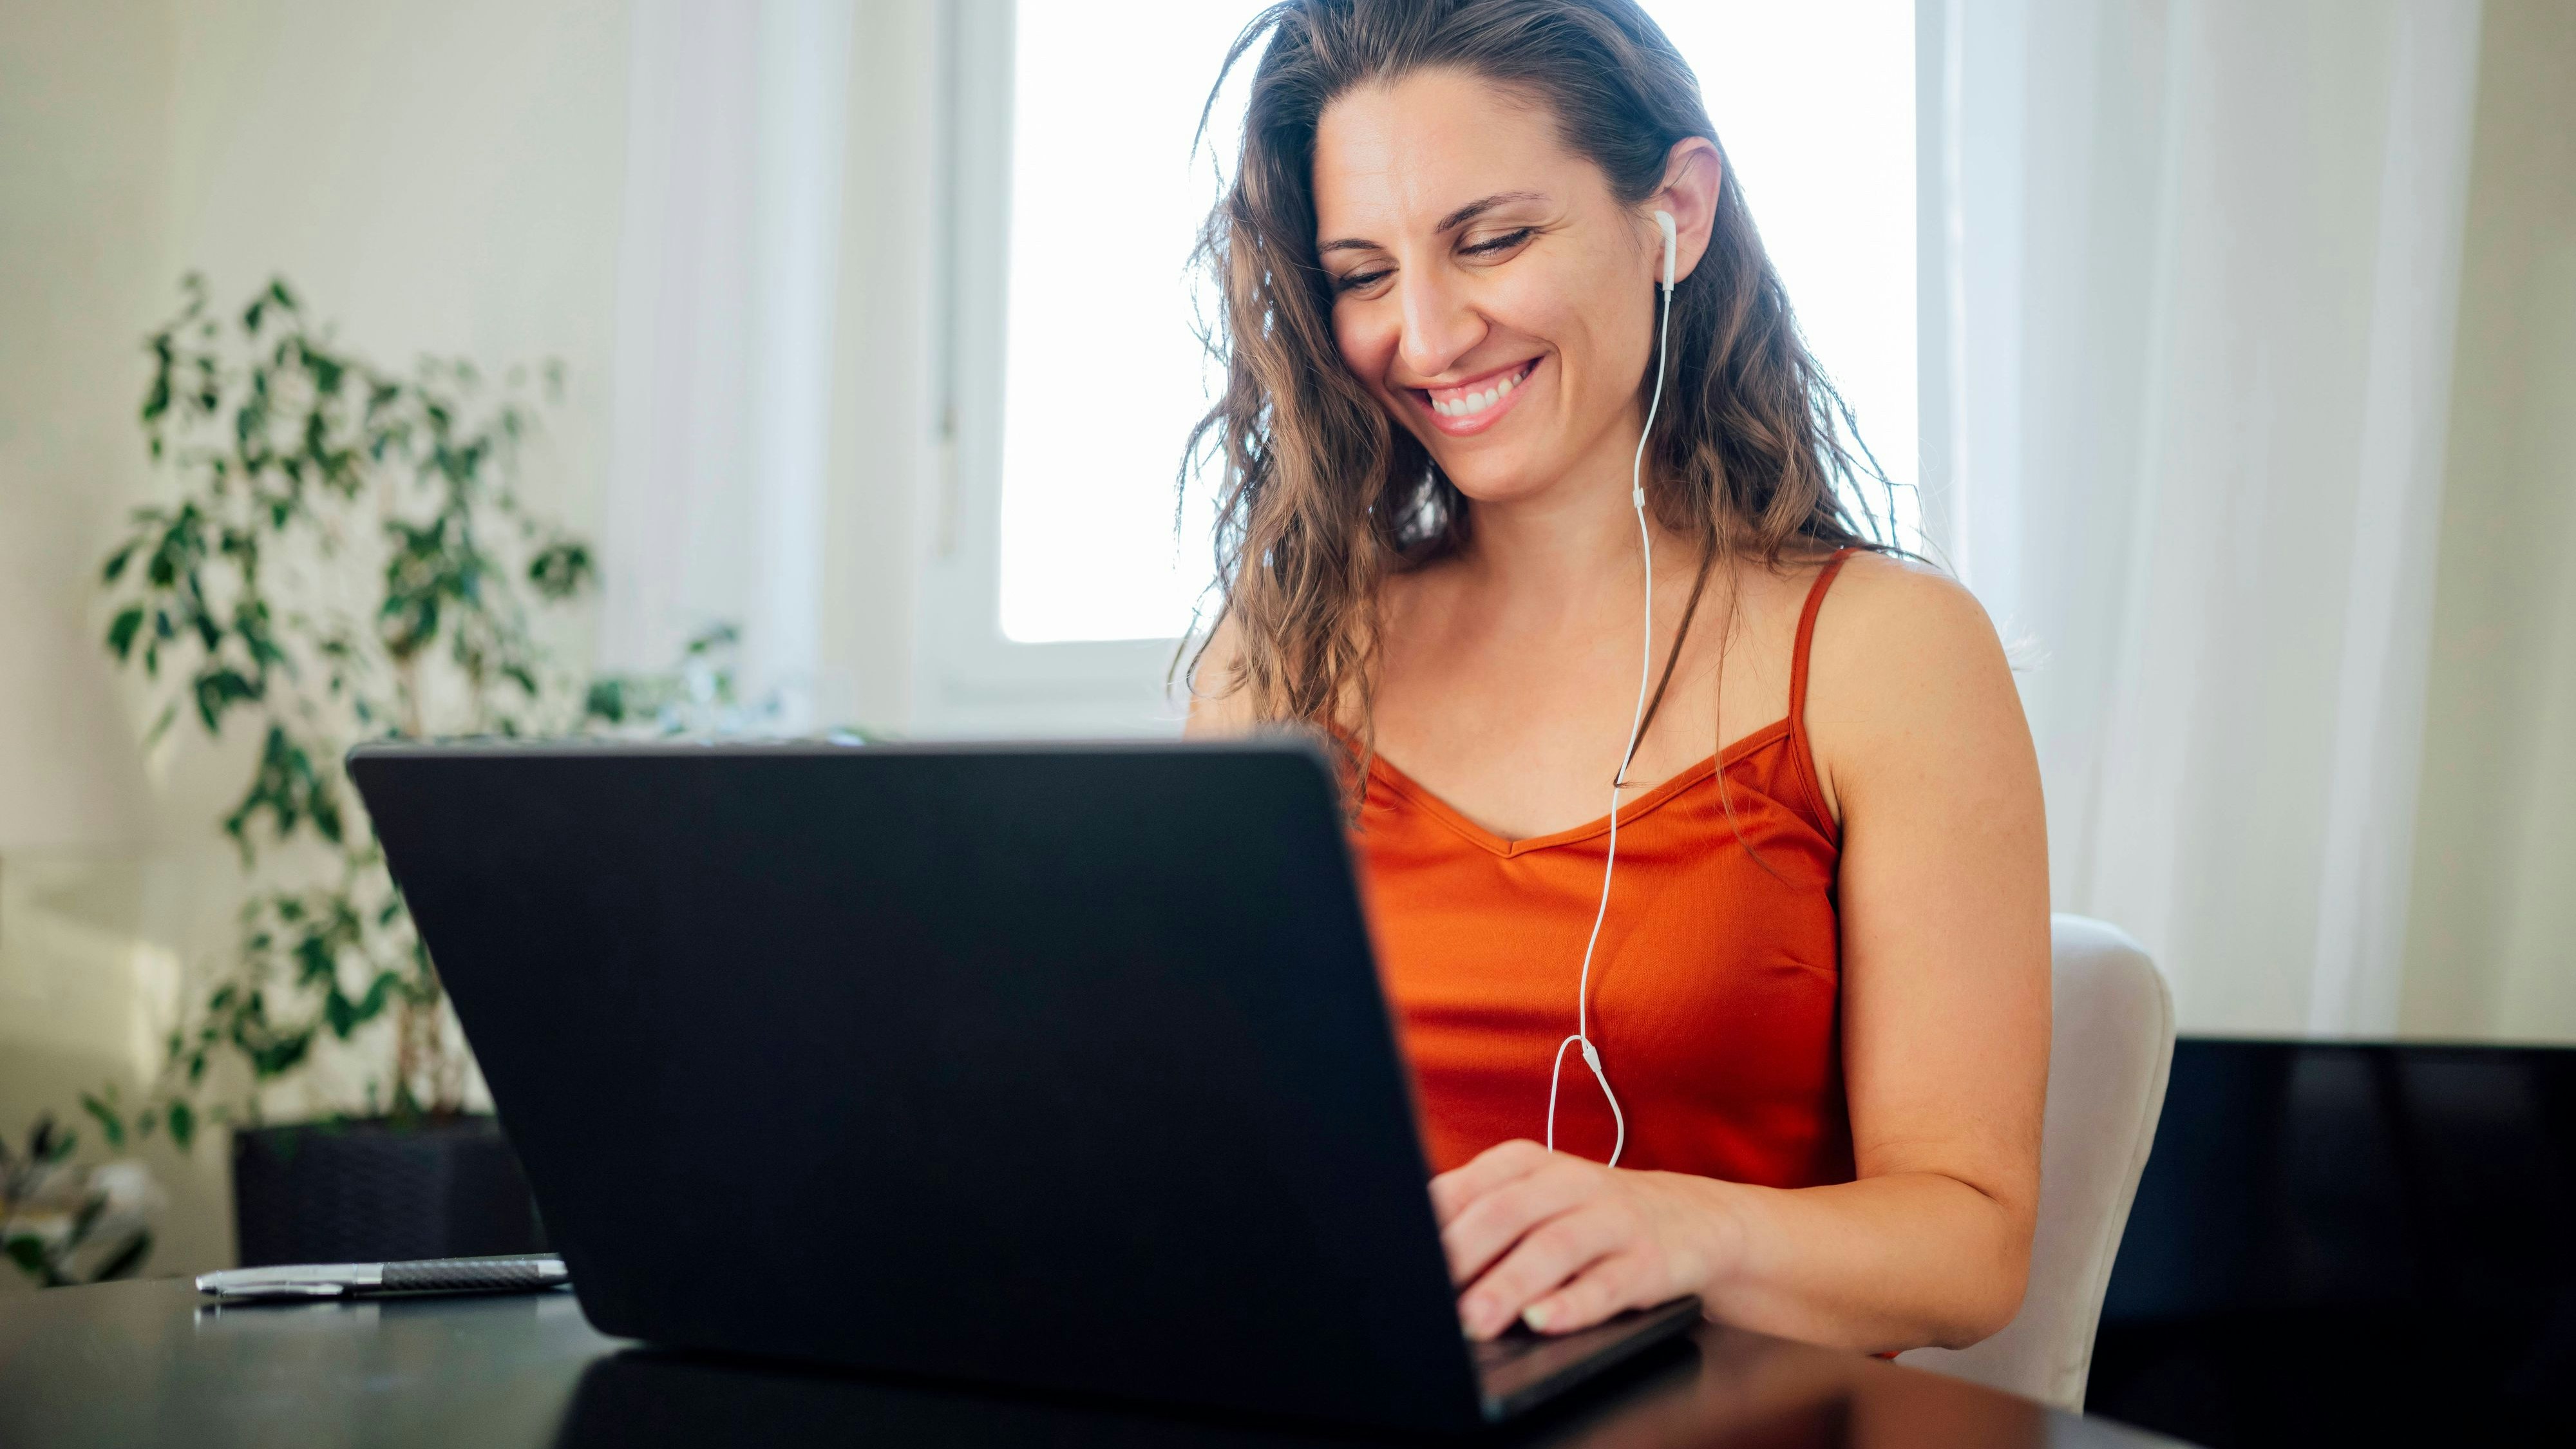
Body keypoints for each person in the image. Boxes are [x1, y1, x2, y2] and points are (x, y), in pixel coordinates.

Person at [1179, 0, 2049, 1356]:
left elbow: (1970, 1245)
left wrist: (1683, 1230)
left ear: (1674, 211)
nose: (1424, 334)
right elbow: (1200, 1144)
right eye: (1360, 273)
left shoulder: (1885, 649)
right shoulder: (1288, 646)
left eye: (1493, 239)